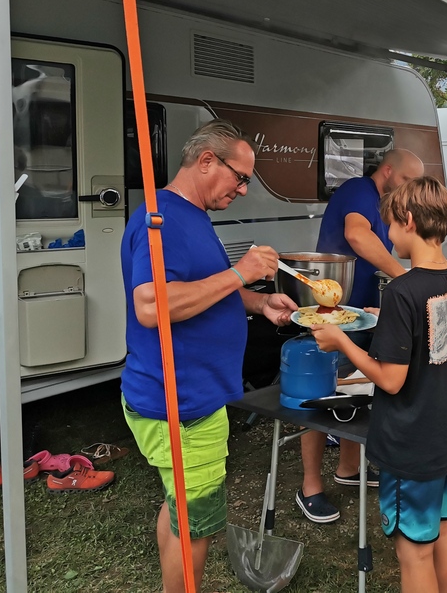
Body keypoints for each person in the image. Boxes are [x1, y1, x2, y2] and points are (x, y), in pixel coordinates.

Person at [120, 119, 298, 593]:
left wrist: (259, 302)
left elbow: (203, 288)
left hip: (193, 395)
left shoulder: (192, 214)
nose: (243, 190)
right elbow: (151, 305)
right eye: (240, 177)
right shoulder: (161, 219)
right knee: (196, 525)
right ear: (205, 161)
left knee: (181, 507)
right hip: (181, 402)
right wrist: (241, 272)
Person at [312, 176, 447, 592]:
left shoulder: (401, 291)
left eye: (390, 226)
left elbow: (391, 379)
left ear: (409, 220)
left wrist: (341, 340)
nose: (388, 235)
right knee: (444, 526)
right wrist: (390, 321)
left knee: (413, 550)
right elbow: (435, 337)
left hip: (412, 444)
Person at [300, 148, 425, 523]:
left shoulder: (384, 204)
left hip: (363, 314)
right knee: (321, 394)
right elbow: (356, 234)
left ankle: (349, 468)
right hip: (334, 313)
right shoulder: (358, 189)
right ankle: (310, 486)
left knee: (355, 391)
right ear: (387, 171)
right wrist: (404, 277)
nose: (408, 190)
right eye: (405, 180)